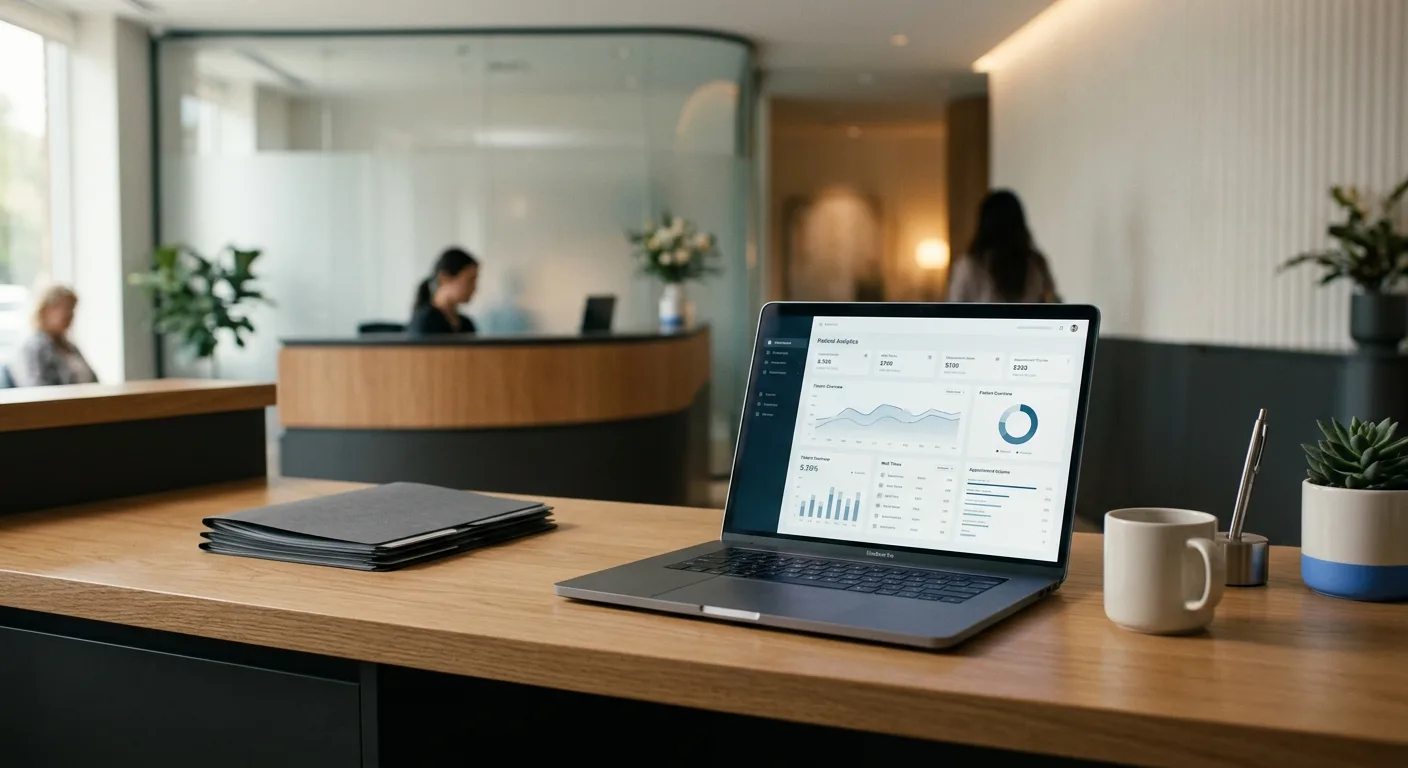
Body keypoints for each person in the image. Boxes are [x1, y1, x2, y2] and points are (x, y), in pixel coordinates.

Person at [946, 190, 1059, 303]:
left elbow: (953, 311)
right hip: (1027, 321)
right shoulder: (1036, 264)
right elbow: (1053, 305)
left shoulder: (968, 266)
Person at [13, 283, 98, 387]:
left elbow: (94, 381)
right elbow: (37, 389)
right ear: (44, 310)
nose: (68, 314)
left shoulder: (69, 346)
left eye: (71, 308)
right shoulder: (34, 348)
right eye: (62, 308)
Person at [408, 247, 479, 335]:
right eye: (470, 281)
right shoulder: (424, 323)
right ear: (444, 279)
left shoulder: (466, 324)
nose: (474, 287)